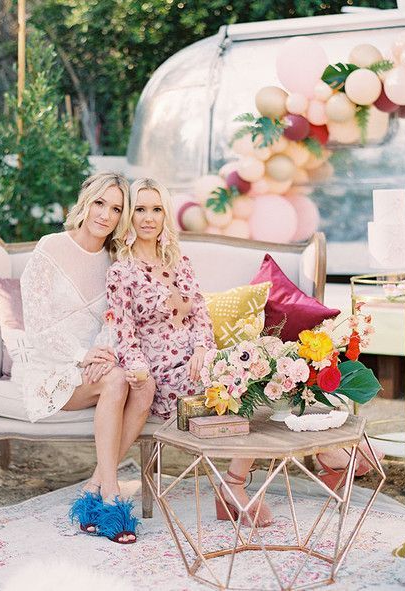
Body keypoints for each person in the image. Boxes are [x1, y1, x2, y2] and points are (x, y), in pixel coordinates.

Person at [105, 177, 273, 528]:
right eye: (140, 209)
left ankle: (233, 483)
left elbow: (200, 317)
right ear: (129, 217)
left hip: (199, 359)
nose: (148, 218)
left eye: (156, 210)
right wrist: (139, 371)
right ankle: (232, 489)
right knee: (240, 390)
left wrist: (202, 349)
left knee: (258, 379)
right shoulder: (122, 272)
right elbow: (123, 331)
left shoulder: (180, 262)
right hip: (161, 372)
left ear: (166, 216)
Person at [13, 172, 155, 544]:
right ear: (86, 202)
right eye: (99, 203)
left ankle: (93, 488)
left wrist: (103, 353)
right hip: (52, 368)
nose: (105, 215)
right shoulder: (51, 247)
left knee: (141, 384)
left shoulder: (116, 260)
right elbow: (38, 323)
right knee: (116, 380)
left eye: (116, 209)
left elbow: (115, 318)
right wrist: (82, 355)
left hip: (96, 366)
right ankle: (110, 496)